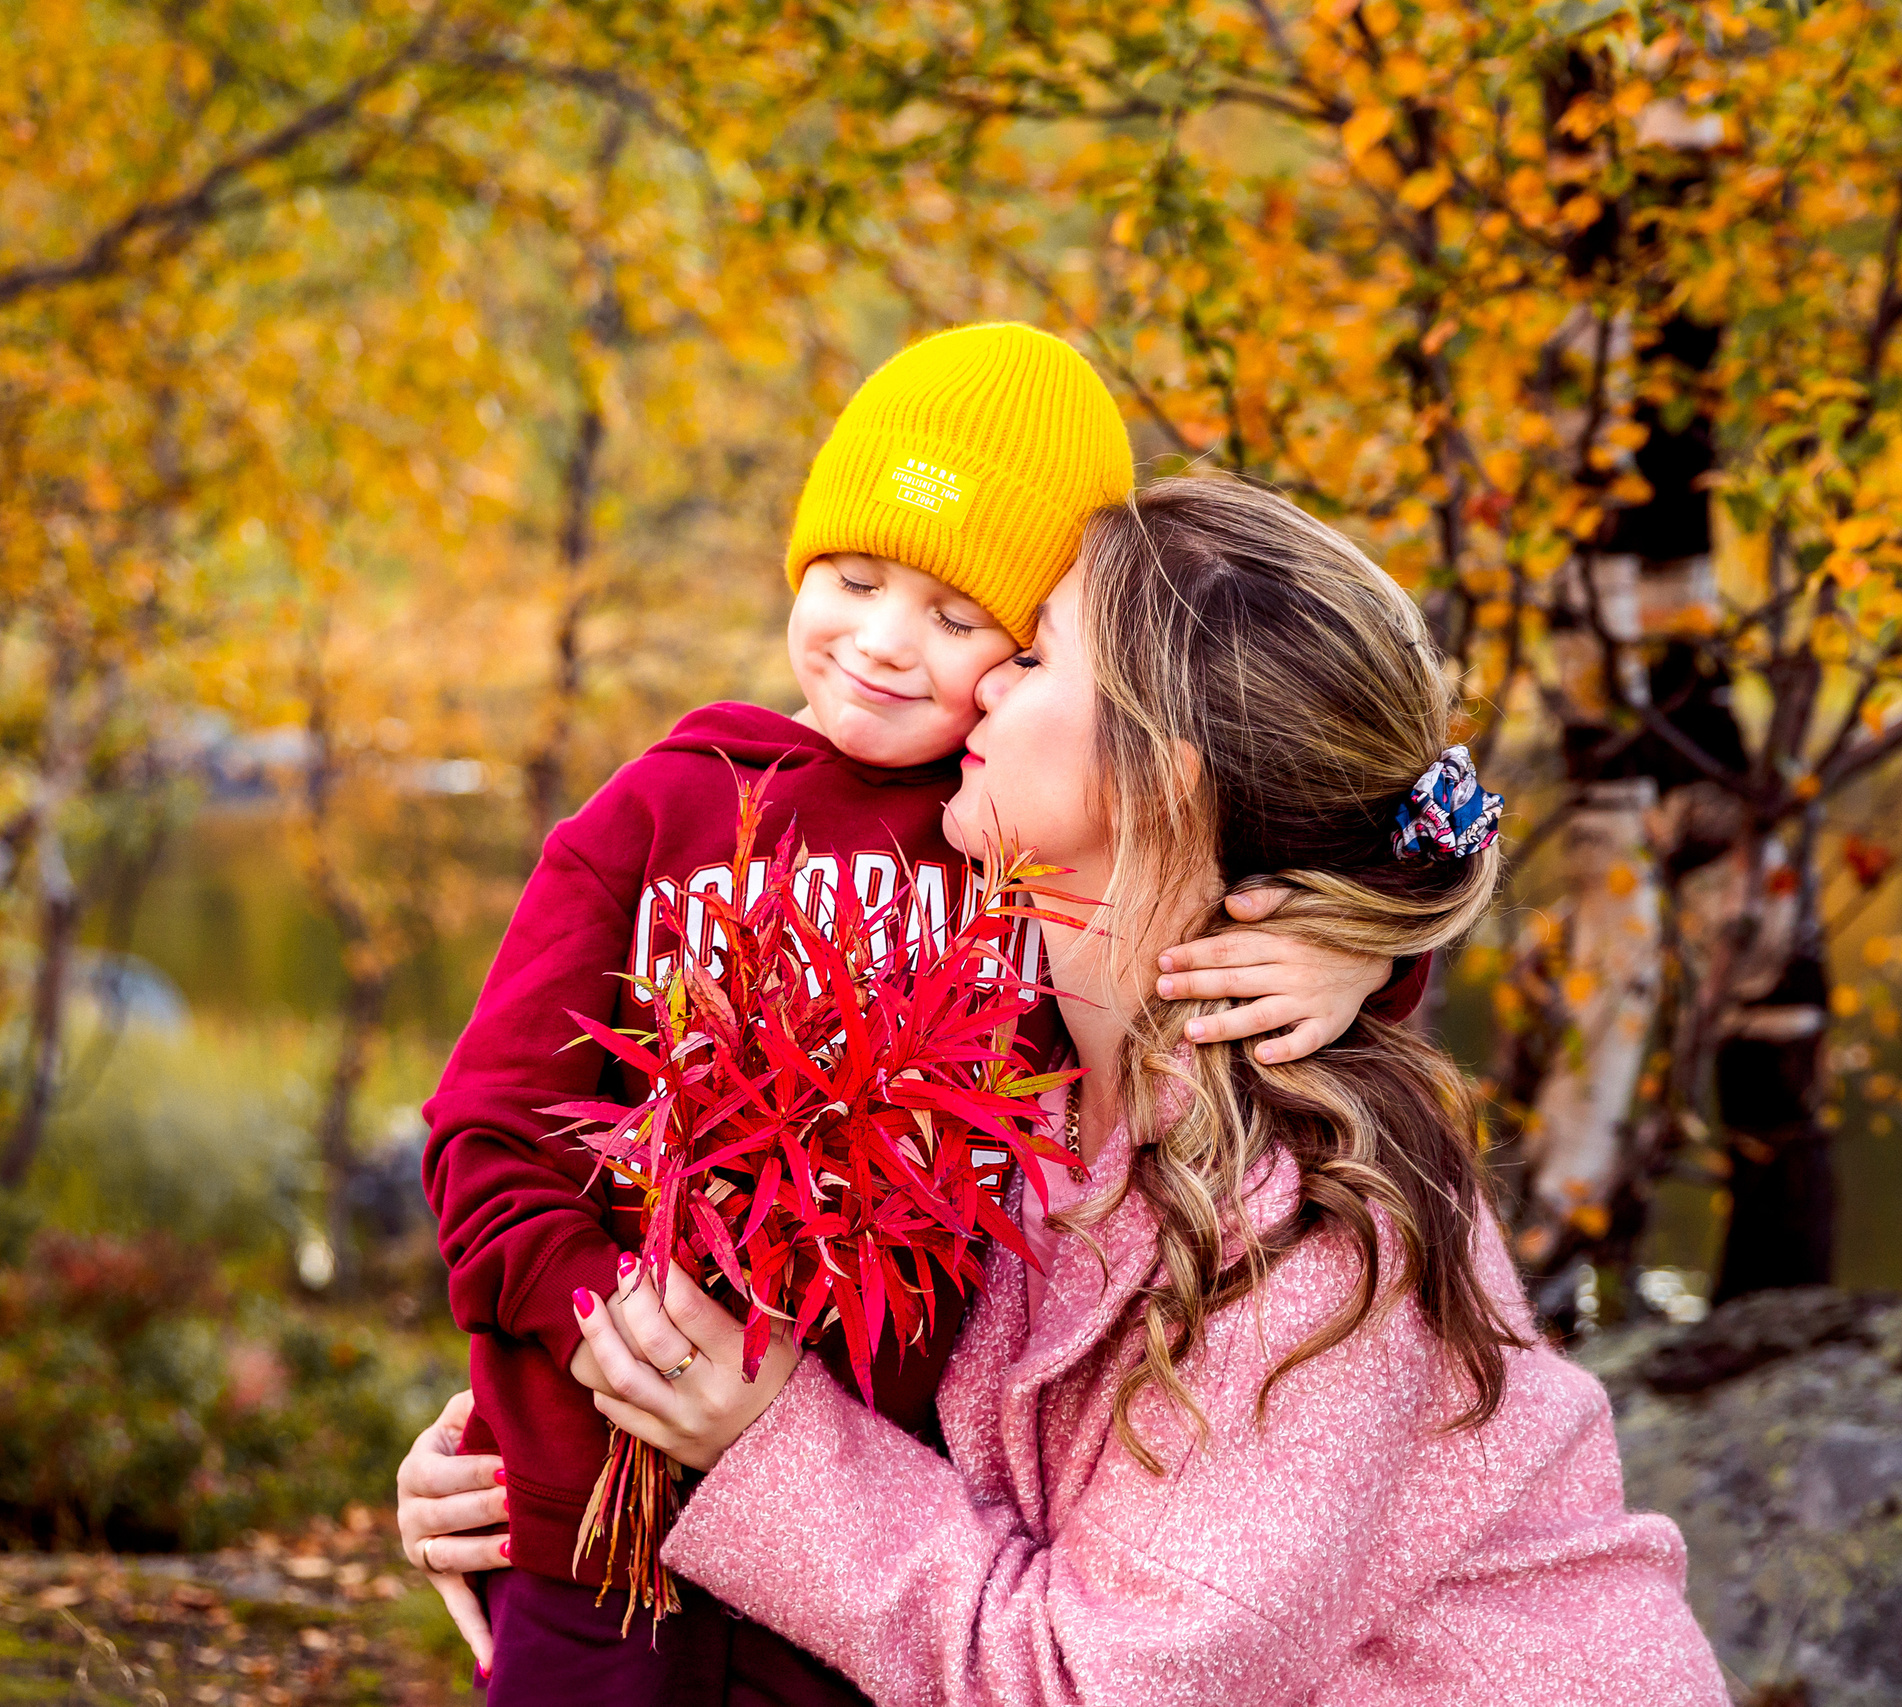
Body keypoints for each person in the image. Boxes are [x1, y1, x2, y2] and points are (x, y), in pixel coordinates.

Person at [407, 474, 1730, 1704]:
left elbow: (1102, 1685)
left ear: (1160, 777)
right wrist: (558, 1476)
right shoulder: (1003, 1037)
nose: (969, 683)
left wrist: (756, 1445)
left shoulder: (1317, 1228)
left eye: (1028, 655)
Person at [421, 335, 1418, 1703]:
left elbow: (1246, 882)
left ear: (1026, 654)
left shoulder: (1014, 838)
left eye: (959, 620)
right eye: (852, 580)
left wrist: (1362, 952)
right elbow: (489, 1125)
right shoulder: (663, 809)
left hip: (845, 1534)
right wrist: (585, 1318)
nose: (886, 643)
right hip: (593, 1521)